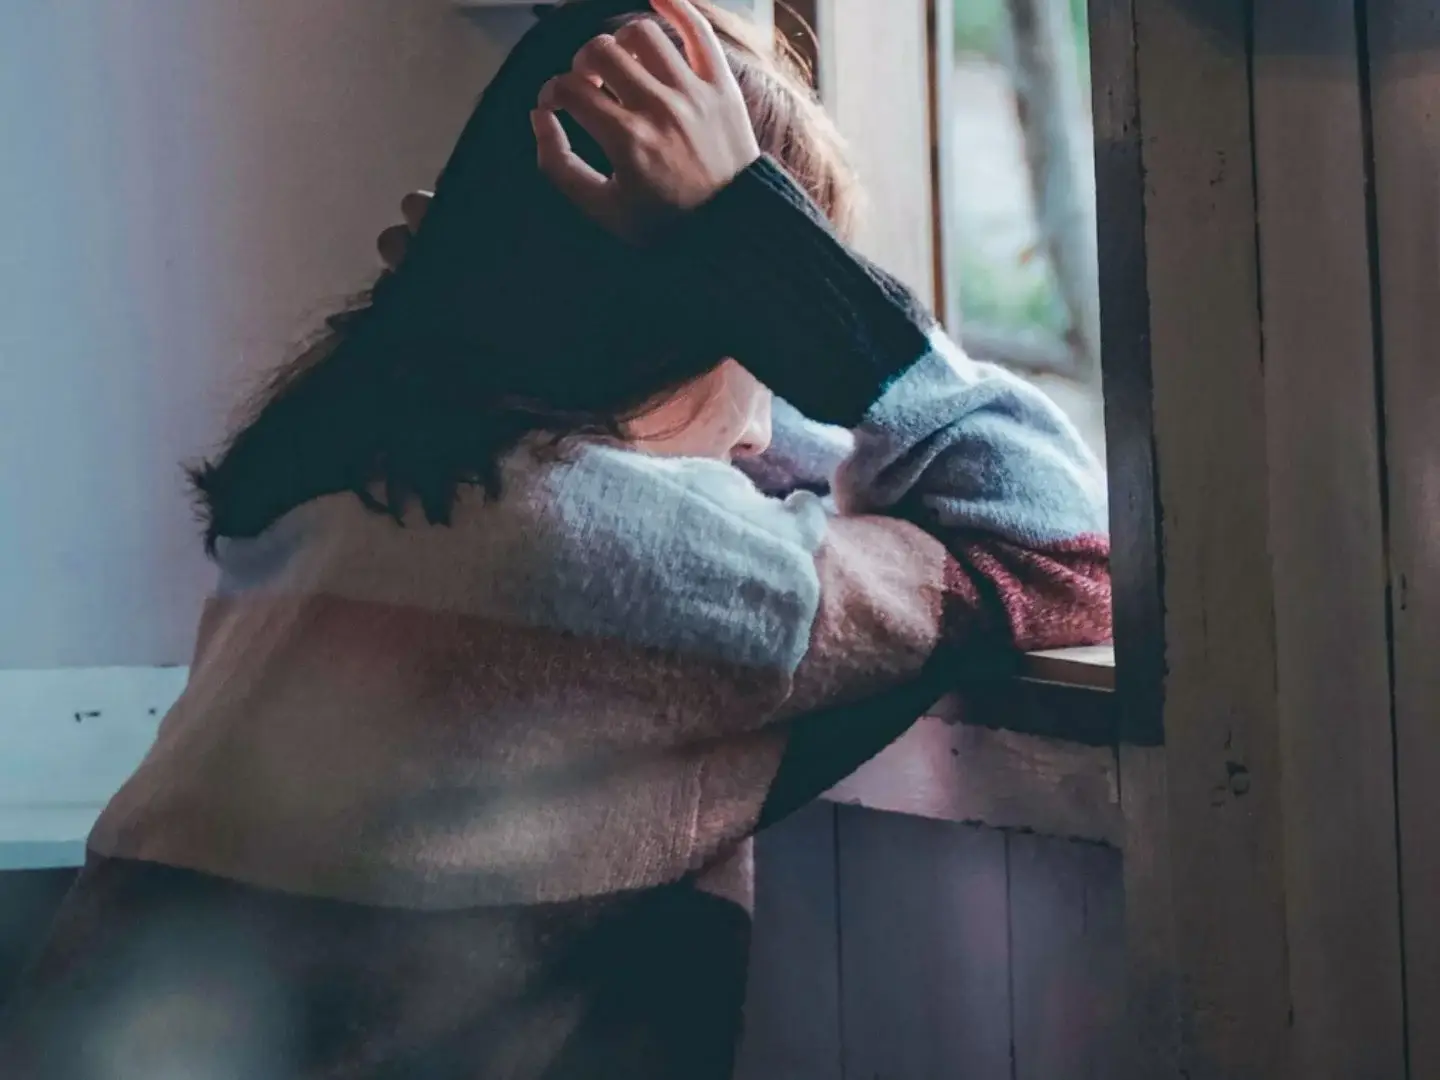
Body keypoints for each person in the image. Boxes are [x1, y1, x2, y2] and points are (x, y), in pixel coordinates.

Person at [0, 1, 1110, 1077]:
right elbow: (1060, 544)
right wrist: (768, 251)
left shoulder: (343, 485)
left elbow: (726, 446)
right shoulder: (636, 560)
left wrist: (474, 293)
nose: (772, 413)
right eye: (763, 341)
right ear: (714, 320)